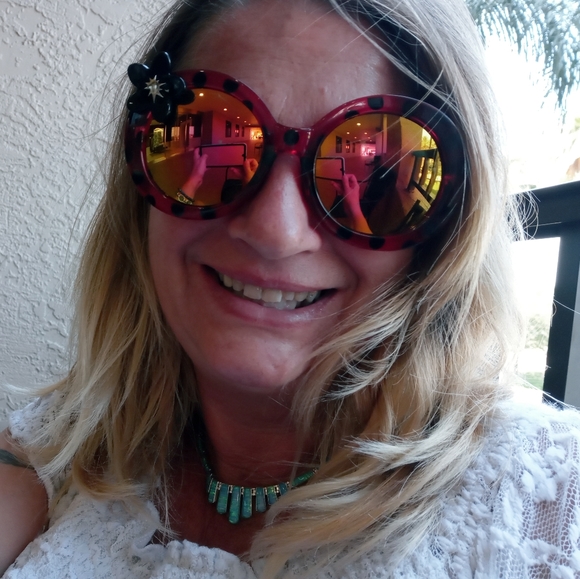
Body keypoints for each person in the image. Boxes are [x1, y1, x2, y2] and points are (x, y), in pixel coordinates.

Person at [1, 0, 579, 577]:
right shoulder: (53, 450)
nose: (276, 231)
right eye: (207, 141)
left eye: (376, 172)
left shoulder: (550, 508)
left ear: (450, 229)